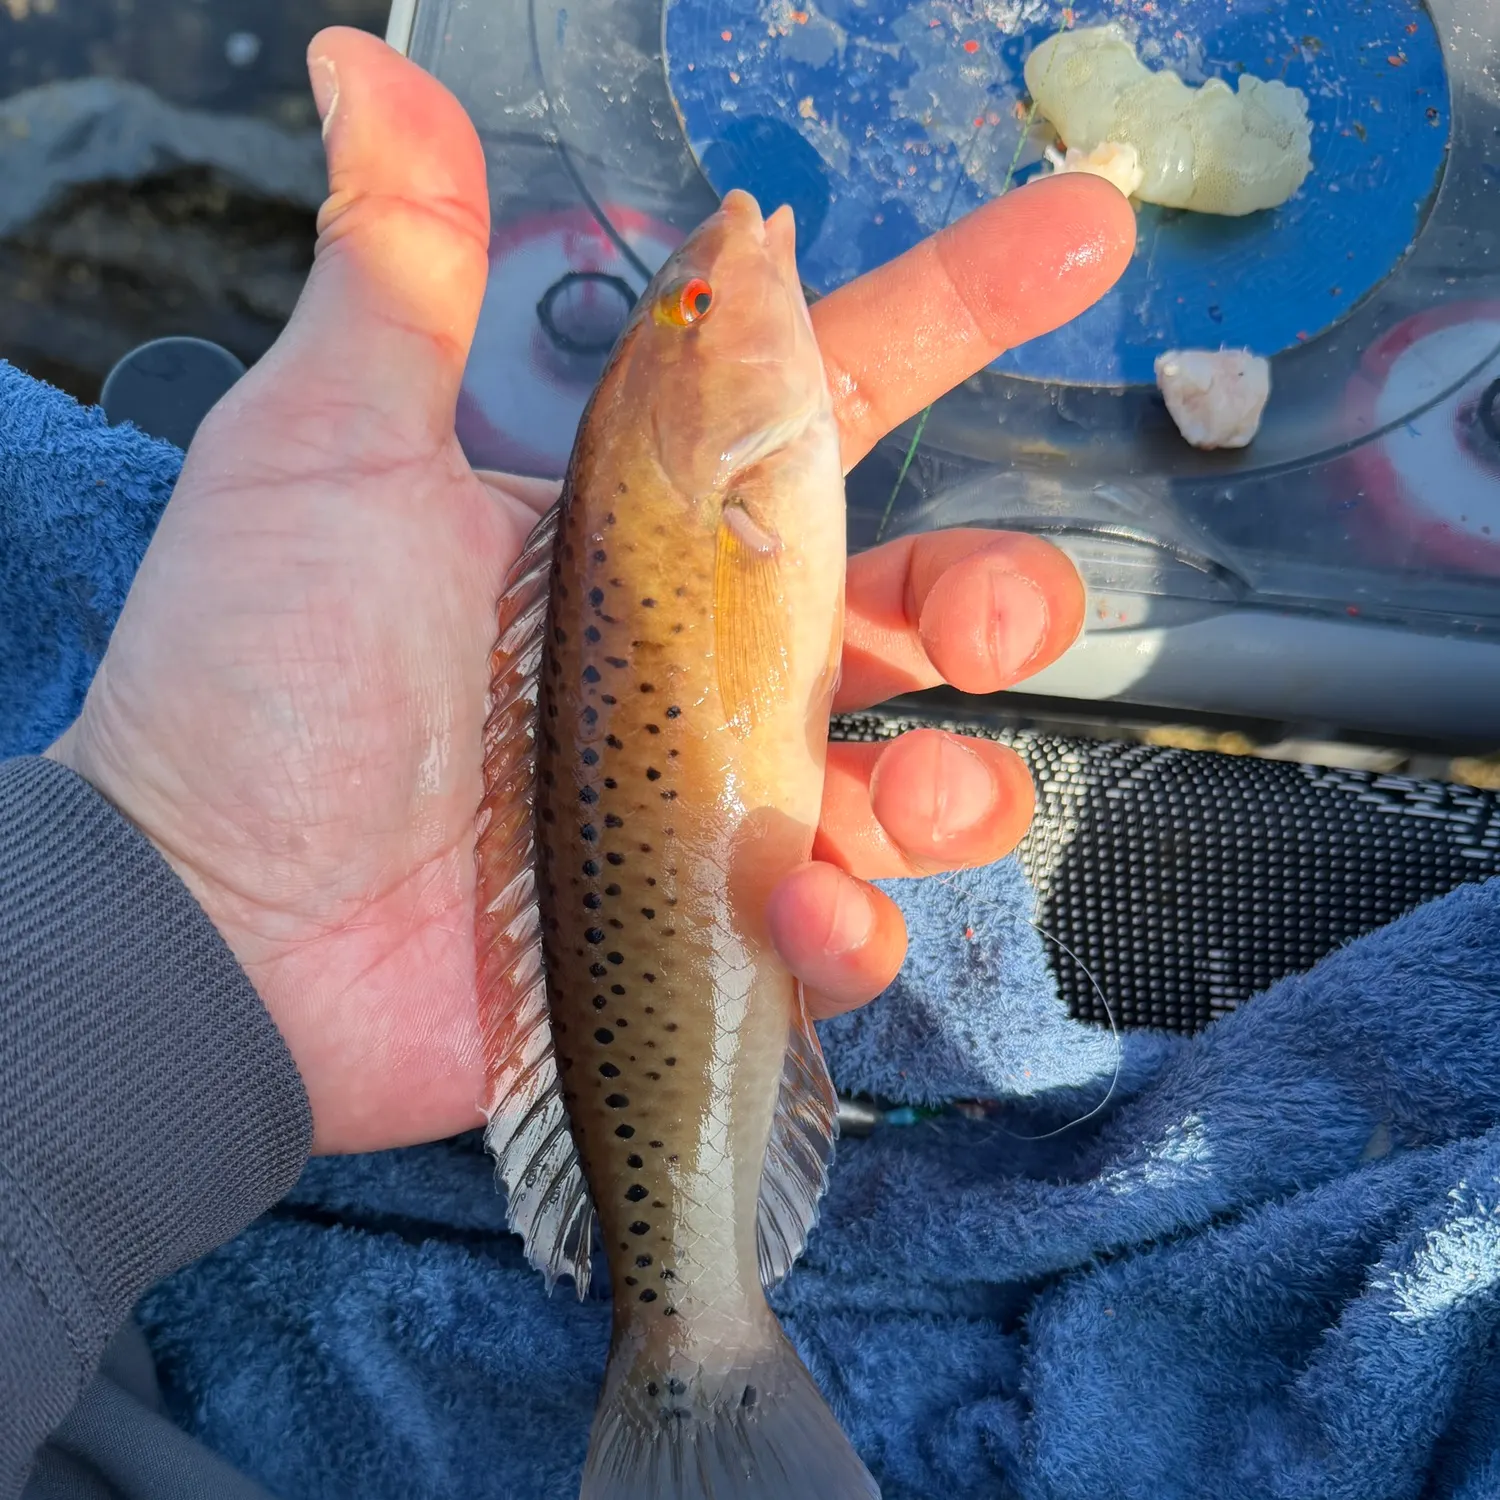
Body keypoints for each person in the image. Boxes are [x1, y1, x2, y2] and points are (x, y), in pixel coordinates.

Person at [0, 25, 1135, 1500]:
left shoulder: (723, 492)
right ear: (706, 460)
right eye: (697, 309)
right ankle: (697, 1342)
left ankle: (699, 1332)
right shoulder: (724, 492)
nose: (728, 261)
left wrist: (180, 910)